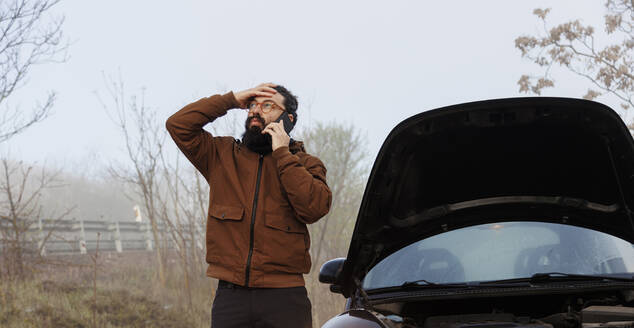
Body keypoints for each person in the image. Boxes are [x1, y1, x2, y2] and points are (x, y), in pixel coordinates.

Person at [165, 83, 332, 328]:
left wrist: (283, 155)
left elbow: (314, 207)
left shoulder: (306, 164)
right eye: (252, 105)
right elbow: (178, 125)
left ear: (288, 118)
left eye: (267, 105)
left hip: (285, 297)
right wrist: (231, 100)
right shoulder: (221, 155)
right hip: (231, 297)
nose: (256, 111)